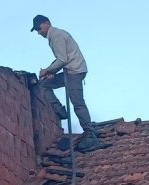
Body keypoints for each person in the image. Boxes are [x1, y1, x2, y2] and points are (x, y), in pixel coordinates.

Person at [30, 14, 99, 148]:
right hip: (71, 70)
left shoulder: (55, 35)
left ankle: (90, 134)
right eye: (37, 30)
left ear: (47, 23)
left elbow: (62, 60)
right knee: (44, 84)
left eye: (39, 28)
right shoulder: (55, 35)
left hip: (74, 72)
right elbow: (62, 59)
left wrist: (47, 70)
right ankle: (60, 110)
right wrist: (51, 72)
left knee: (77, 103)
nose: (39, 32)